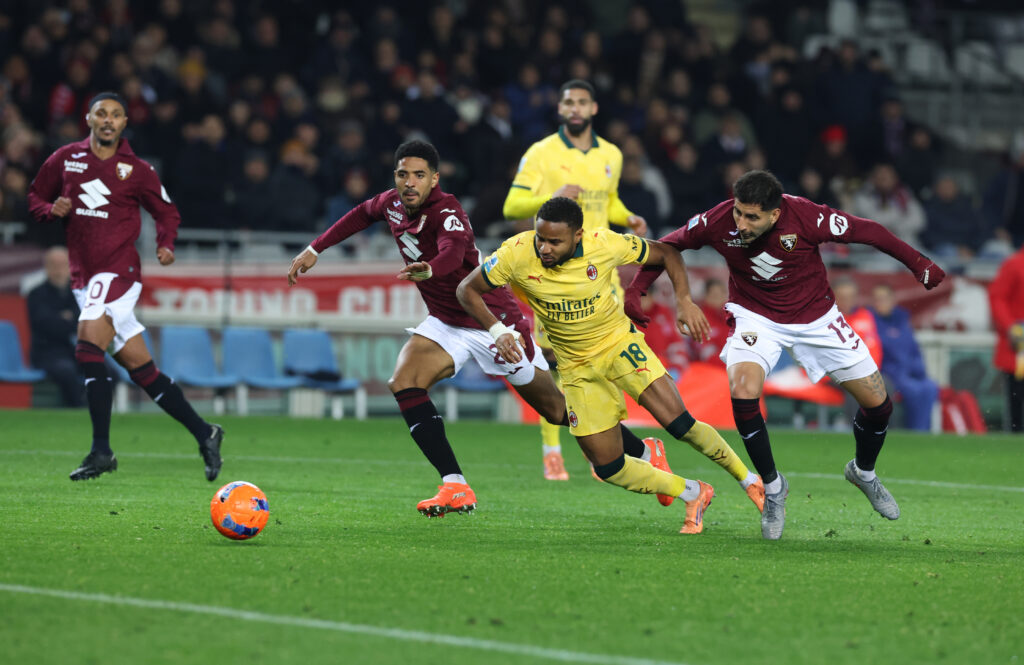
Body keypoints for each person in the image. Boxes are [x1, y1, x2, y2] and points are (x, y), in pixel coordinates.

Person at [286, 141, 661, 517]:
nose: (409, 183)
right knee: (404, 381)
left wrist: (431, 268)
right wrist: (315, 249)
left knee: (557, 410)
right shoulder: (392, 205)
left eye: (419, 175)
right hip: (447, 321)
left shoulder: (448, 211)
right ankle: (455, 485)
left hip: (491, 320)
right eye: (403, 175)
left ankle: (645, 451)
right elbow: (360, 214)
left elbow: (452, 251)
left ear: (435, 178)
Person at [626, 170, 946, 539]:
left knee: (879, 405)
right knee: (743, 391)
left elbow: (869, 231)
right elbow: (667, 245)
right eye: (738, 213)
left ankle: (863, 473)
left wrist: (918, 263)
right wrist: (637, 290)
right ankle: (774, 487)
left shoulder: (807, 216)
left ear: (775, 215)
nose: (741, 223)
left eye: (752, 217)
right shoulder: (718, 219)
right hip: (755, 317)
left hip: (817, 318)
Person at [458, 197, 765, 534]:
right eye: (540, 238)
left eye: (554, 242)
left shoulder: (603, 243)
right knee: (608, 467)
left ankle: (749, 480)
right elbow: (467, 289)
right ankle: (693, 492)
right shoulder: (515, 253)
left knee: (680, 424)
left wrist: (684, 301)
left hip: (618, 345)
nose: (544, 248)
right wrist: (497, 330)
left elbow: (667, 253)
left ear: (578, 236)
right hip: (575, 367)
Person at [27, 92, 224, 482]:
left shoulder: (136, 169)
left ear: (124, 123)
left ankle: (102, 450)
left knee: (86, 347)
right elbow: (34, 195)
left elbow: (166, 210)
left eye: (116, 115)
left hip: (119, 272)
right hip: (84, 278)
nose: (108, 120)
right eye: (102, 113)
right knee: (142, 369)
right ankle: (206, 432)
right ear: (88, 119)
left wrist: (165, 242)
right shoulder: (65, 159)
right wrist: (50, 210)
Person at [502, 79, 648, 481]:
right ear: (561, 109)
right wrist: (552, 194)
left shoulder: (612, 154)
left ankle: (606, 448)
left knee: (609, 362)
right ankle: (551, 449)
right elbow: (512, 205)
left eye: (583, 102)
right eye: (569, 102)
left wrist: (627, 217)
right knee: (554, 363)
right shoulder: (541, 153)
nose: (576, 108)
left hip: (601, 274)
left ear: (594, 109)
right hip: (554, 276)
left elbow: (607, 199)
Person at [868, 283, 938, 432]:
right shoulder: (870, 322)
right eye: (877, 299)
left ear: (893, 300)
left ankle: (924, 431)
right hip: (888, 374)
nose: (881, 302)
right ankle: (914, 432)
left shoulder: (903, 321)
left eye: (884, 298)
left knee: (929, 387)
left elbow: (914, 351)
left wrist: (918, 371)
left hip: (908, 373)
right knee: (912, 389)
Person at [26, 246, 83, 407]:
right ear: (46, 267)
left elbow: (83, 321)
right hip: (46, 354)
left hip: (73, 351)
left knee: (105, 370)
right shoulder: (36, 294)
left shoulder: (76, 294)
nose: (58, 270)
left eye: (63, 265)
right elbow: (46, 325)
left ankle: (100, 411)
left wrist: (62, 319)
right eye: (54, 265)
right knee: (66, 371)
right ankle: (77, 411)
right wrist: (68, 321)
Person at [987, 245, 1024, 433]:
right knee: (1017, 399)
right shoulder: (1014, 264)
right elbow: (997, 298)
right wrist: (1011, 327)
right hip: (1018, 348)